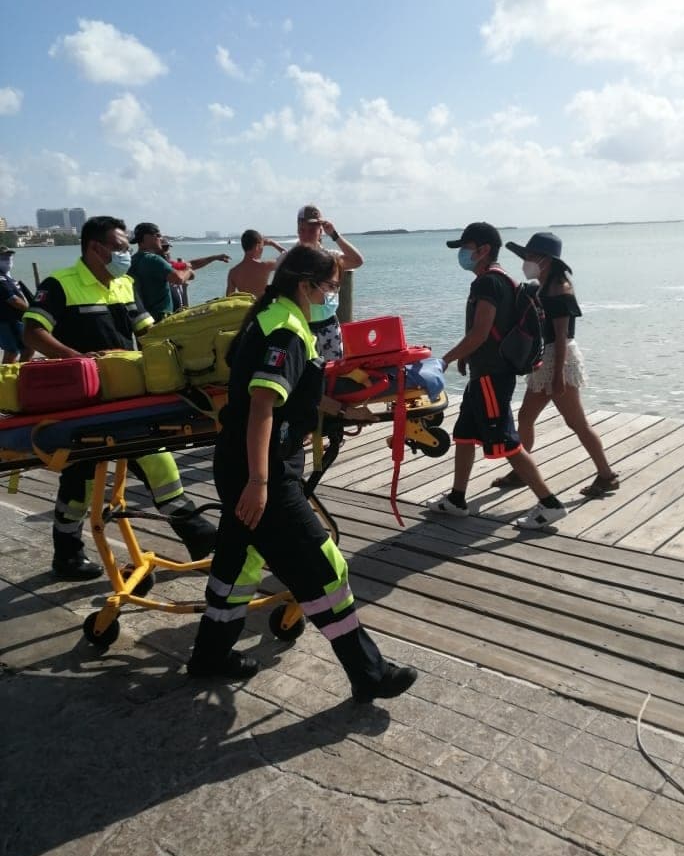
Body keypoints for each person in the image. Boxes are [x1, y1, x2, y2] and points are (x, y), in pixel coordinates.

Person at [187, 242, 417, 702]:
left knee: (239, 561)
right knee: (326, 567)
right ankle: (369, 673)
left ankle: (210, 657)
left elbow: (286, 395)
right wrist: (259, 483)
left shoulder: (272, 316)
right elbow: (262, 406)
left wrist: (339, 410)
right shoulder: (286, 330)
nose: (333, 292)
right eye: (331, 285)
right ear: (305, 283)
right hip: (263, 469)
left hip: (241, 462)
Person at [22, 216, 217, 580]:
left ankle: (201, 538)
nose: (126, 253)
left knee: (160, 463)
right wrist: (73, 357)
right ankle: (67, 556)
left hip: (126, 396)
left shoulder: (126, 285)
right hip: (80, 403)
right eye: (122, 247)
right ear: (97, 248)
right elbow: (32, 331)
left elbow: (149, 333)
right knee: (81, 484)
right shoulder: (60, 285)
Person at [427, 222, 568, 530]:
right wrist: (467, 356)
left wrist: (446, 359)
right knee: (464, 434)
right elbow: (489, 333)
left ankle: (549, 503)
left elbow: (480, 332)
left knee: (506, 441)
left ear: (483, 250)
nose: (462, 254)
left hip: (492, 377)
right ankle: (457, 498)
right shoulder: (500, 280)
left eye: (466, 248)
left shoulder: (488, 284)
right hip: (485, 374)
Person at [491, 232, 619, 499]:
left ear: (545, 260)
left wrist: (558, 374)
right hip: (546, 359)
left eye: (529, 257)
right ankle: (521, 471)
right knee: (526, 416)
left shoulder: (559, 289)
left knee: (577, 423)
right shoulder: (542, 285)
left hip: (559, 359)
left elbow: (561, 337)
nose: (525, 262)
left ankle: (606, 475)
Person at [290, 204, 364, 360]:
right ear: (297, 230)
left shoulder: (330, 257)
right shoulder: (291, 259)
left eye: (312, 230)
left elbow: (357, 261)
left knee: (333, 374)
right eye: (302, 230)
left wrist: (335, 235)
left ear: (320, 231)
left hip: (328, 326)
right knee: (306, 375)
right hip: (302, 327)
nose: (307, 234)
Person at [128, 223, 194, 322]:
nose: (161, 239)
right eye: (158, 236)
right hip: (160, 317)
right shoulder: (153, 259)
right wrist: (188, 271)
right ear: (146, 237)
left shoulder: (132, 260)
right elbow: (178, 279)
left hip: (143, 319)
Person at [162, 238, 232, 311]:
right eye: (165, 248)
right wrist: (188, 272)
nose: (167, 252)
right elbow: (187, 273)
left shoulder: (173, 265)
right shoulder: (160, 266)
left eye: (167, 248)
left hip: (178, 311)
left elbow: (192, 264)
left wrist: (215, 257)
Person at [225, 229, 287, 298]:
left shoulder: (233, 272)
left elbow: (229, 298)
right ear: (257, 246)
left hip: (246, 308)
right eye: (262, 246)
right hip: (262, 307)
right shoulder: (265, 265)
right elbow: (287, 257)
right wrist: (272, 243)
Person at [0, 249, 34, 364]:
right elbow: (13, 299)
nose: (8, 260)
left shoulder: (7, 277)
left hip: (14, 320)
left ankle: (13, 375)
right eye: (3, 257)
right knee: (21, 350)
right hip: (8, 321)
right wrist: (31, 311)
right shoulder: (1, 278)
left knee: (16, 351)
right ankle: (18, 376)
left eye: (9, 256)